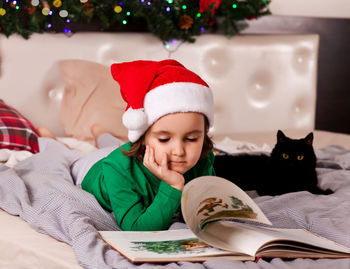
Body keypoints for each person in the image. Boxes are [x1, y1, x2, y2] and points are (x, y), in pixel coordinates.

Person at [43, 59, 216, 231]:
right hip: (94, 167)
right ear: (142, 138)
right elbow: (135, 228)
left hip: (126, 152)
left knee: (113, 145)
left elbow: (207, 209)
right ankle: (51, 139)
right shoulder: (117, 168)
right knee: (70, 156)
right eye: (164, 139)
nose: (179, 152)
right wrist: (172, 186)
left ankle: (101, 134)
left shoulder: (203, 157)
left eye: (192, 139)